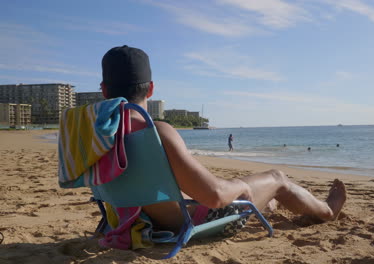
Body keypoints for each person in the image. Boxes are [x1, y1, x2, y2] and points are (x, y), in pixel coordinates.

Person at [100, 45, 347, 233]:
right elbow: (215, 197)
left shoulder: (95, 136)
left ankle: (271, 201)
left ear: (104, 89)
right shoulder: (156, 131)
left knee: (262, 195)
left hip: (132, 220)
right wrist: (239, 185)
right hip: (184, 226)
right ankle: (327, 211)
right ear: (151, 89)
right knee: (276, 178)